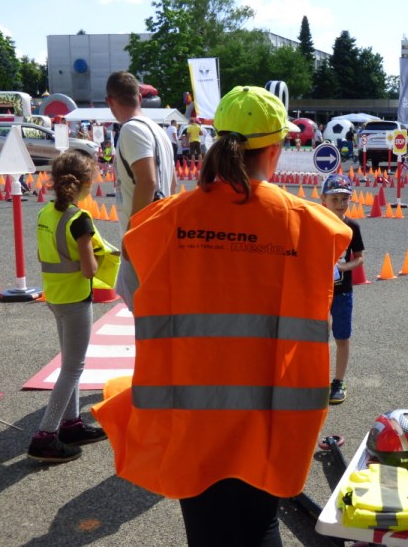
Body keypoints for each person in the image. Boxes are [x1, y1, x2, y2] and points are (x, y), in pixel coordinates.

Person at [92, 85, 351, 546]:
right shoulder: (311, 224)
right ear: (275, 150)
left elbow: (133, 280)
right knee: (261, 525)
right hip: (271, 413)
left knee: (206, 532)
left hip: (189, 416)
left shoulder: (163, 221)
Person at [28, 150, 108, 463]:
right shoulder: (80, 219)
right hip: (75, 298)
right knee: (73, 367)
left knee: (69, 363)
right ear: (86, 184)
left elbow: (42, 255)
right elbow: (89, 270)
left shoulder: (45, 213)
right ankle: (45, 435)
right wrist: (101, 258)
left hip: (54, 295)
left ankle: (71, 424)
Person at [106, 71, 176, 312]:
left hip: (144, 237)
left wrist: (132, 233)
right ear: (139, 96)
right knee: (155, 311)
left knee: (145, 312)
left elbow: (147, 181)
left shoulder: (131, 130)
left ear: (110, 101)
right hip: (159, 231)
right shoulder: (158, 130)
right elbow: (172, 184)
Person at [321, 173, 365, 405]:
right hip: (318, 291)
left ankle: (338, 381)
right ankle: (316, 378)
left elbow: (359, 258)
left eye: (344, 199)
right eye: (334, 199)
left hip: (342, 292)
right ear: (323, 200)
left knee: (342, 336)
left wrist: (344, 267)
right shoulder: (316, 224)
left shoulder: (352, 226)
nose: (340, 204)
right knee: (317, 335)